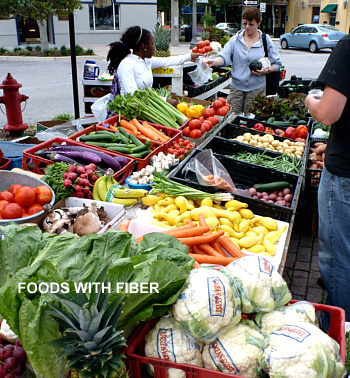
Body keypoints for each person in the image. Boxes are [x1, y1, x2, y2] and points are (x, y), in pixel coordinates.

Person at [305, 34, 350, 326]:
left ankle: (337, 331)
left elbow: (327, 113)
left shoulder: (348, 47)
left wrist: (311, 99)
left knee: (339, 258)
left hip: (345, 175)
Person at [204, 7, 281, 116]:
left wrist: (266, 70)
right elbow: (224, 57)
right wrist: (213, 61)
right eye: (245, 23)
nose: (247, 27)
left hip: (257, 89)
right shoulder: (235, 40)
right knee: (231, 118)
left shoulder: (265, 40)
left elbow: (277, 64)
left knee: (253, 121)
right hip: (236, 88)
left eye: (251, 24)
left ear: (258, 22)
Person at [107, 25, 199, 98]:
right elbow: (133, 95)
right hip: (132, 114)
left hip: (146, 108)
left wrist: (189, 57)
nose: (154, 47)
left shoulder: (146, 61)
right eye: (152, 43)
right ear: (144, 46)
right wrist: (164, 100)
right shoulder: (127, 65)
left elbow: (166, 61)